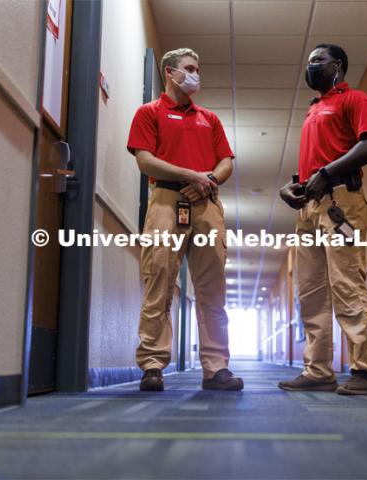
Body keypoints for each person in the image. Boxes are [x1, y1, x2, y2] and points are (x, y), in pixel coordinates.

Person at [126, 48, 243, 392]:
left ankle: (216, 367)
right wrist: (190, 175)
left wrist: (207, 180)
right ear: (170, 73)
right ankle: (152, 364)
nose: (196, 75)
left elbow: (226, 161)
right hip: (165, 201)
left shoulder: (210, 119)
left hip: (207, 204)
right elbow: (145, 160)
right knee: (159, 282)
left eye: (197, 68)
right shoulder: (149, 113)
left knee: (212, 290)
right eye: (190, 69)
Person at [279, 44, 367, 395]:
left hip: (341, 203)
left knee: (346, 285)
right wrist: (294, 186)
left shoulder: (354, 99)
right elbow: (313, 166)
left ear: (337, 65)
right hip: (309, 210)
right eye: (308, 61)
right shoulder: (314, 110)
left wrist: (326, 172)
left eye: (317, 61)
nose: (311, 67)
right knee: (309, 292)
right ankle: (318, 369)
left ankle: (366, 372)